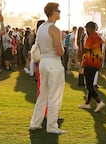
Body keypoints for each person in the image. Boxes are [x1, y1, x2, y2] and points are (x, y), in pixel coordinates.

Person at [28, 2, 66, 134]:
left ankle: (35, 123)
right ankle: (52, 126)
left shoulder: (41, 27)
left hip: (43, 62)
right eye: (58, 10)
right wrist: (62, 42)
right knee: (54, 95)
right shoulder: (55, 29)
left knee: (42, 94)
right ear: (53, 12)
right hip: (53, 62)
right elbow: (60, 51)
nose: (60, 12)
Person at [77, 21, 105, 113]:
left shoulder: (91, 38)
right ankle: (87, 103)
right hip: (96, 63)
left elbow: (84, 50)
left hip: (89, 62)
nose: (86, 30)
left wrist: (81, 41)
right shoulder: (98, 38)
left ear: (90, 28)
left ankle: (99, 101)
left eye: (86, 28)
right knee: (90, 83)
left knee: (88, 85)